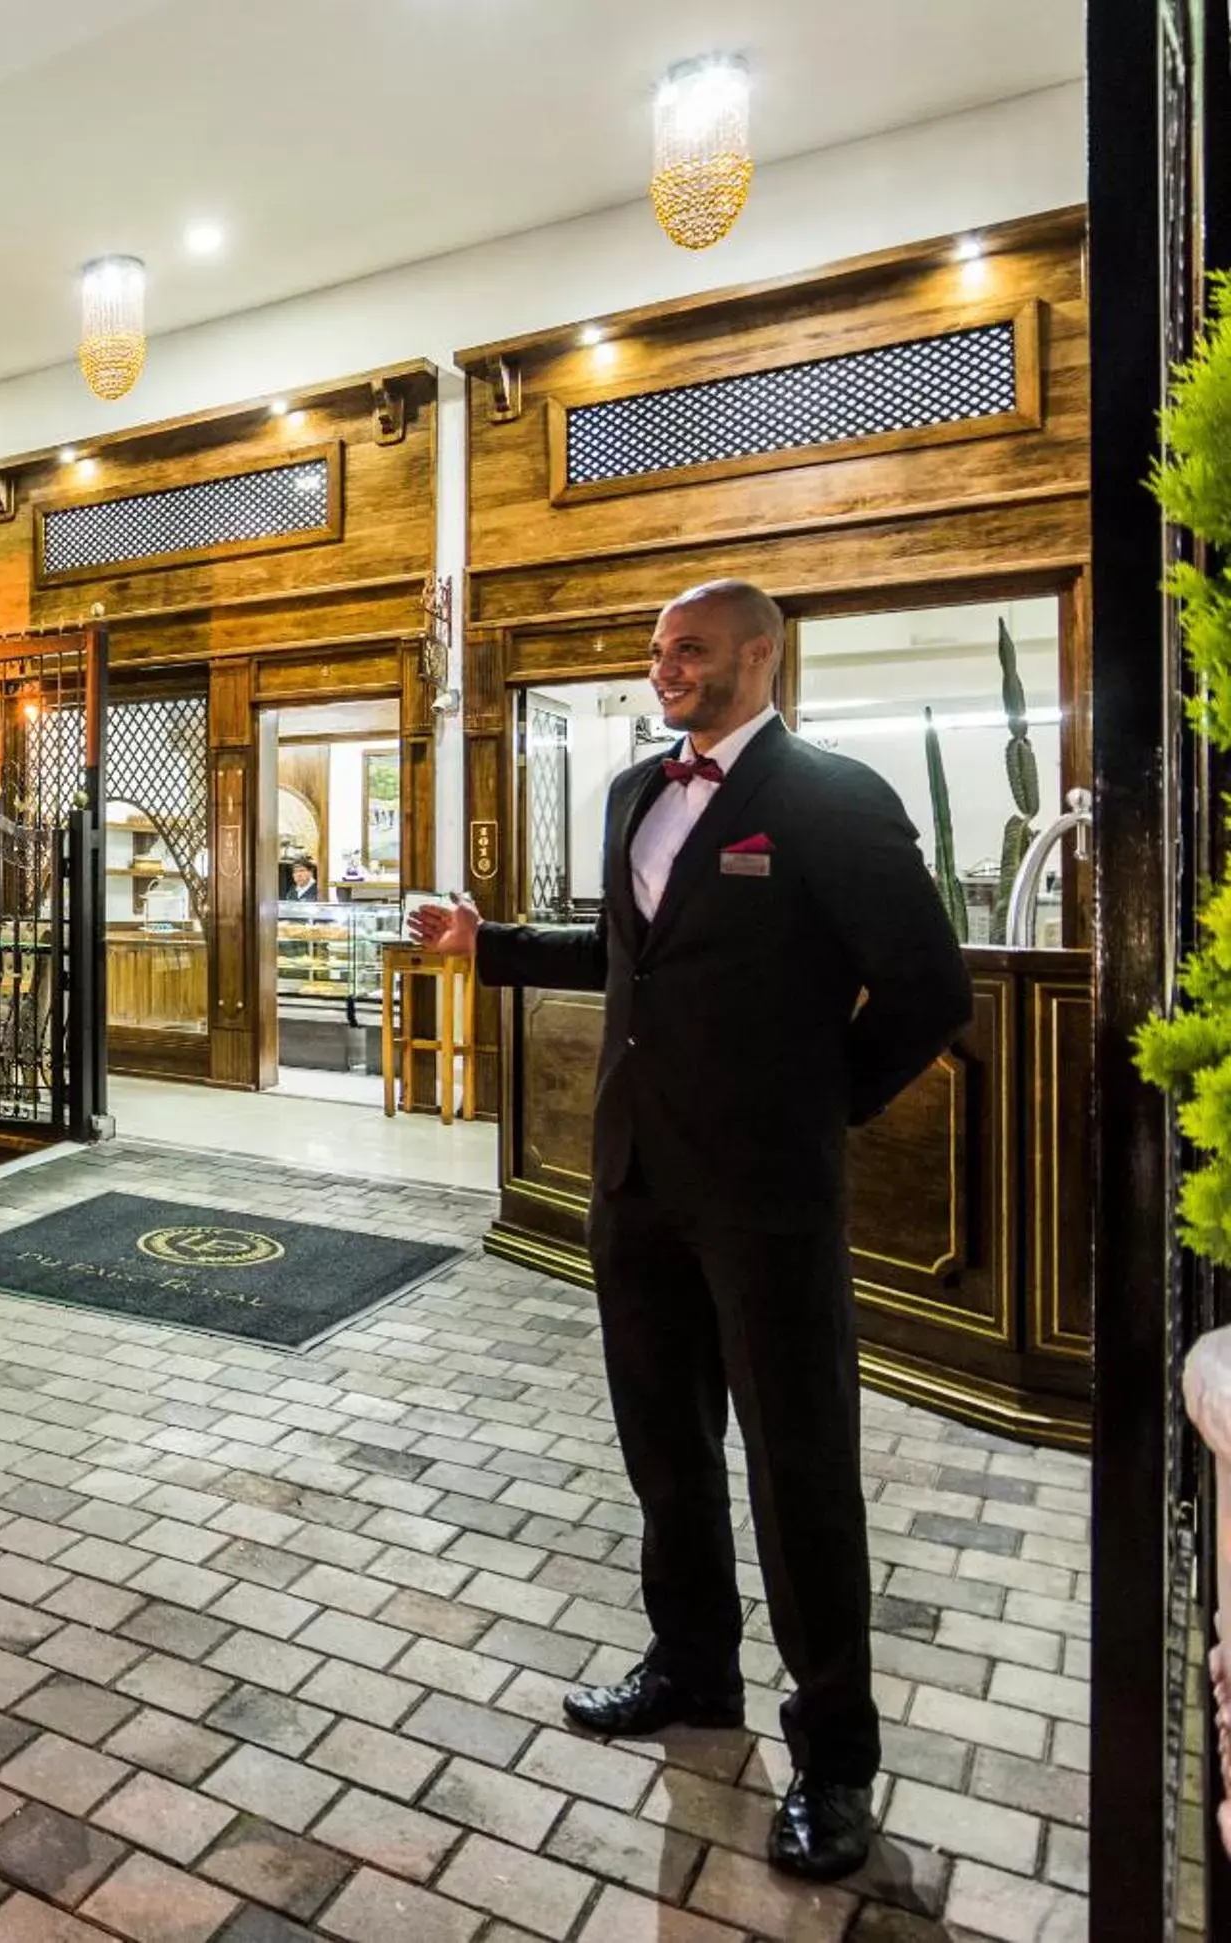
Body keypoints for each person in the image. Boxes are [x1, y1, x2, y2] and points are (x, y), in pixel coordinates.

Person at [405, 578, 970, 1881]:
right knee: (665, 1445)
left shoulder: (831, 797)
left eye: (694, 648)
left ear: (760, 655)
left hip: (767, 1193)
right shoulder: (631, 794)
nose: (669, 666)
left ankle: (833, 1756)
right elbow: (627, 955)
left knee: (800, 1465)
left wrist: (817, 1104)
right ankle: (692, 1667)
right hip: (636, 1177)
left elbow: (929, 987)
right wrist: (486, 944)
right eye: (659, 649)